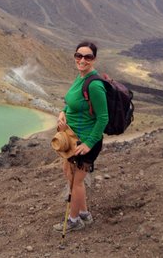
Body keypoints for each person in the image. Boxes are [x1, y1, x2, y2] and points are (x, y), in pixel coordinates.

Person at [53, 41, 109, 233]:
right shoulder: (80, 78)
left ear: (94, 59)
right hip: (72, 137)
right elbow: (72, 102)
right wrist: (63, 112)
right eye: (79, 55)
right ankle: (84, 213)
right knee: (69, 176)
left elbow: (103, 118)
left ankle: (74, 220)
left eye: (88, 57)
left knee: (75, 182)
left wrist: (89, 143)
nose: (82, 60)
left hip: (84, 142)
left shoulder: (94, 85)